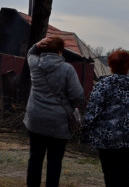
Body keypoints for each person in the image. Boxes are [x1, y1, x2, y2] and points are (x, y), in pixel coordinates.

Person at [82, 49, 129, 187]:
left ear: (111, 66)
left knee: (110, 173)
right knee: (126, 171)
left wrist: (86, 132)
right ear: (128, 66)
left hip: (107, 137)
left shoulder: (103, 85)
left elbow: (92, 111)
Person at [23, 36, 85, 187]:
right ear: (60, 51)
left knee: (35, 158)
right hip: (59, 123)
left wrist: (37, 45)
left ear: (43, 49)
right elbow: (77, 97)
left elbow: (30, 53)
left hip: (35, 120)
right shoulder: (67, 69)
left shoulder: (35, 64)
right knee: (55, 162)